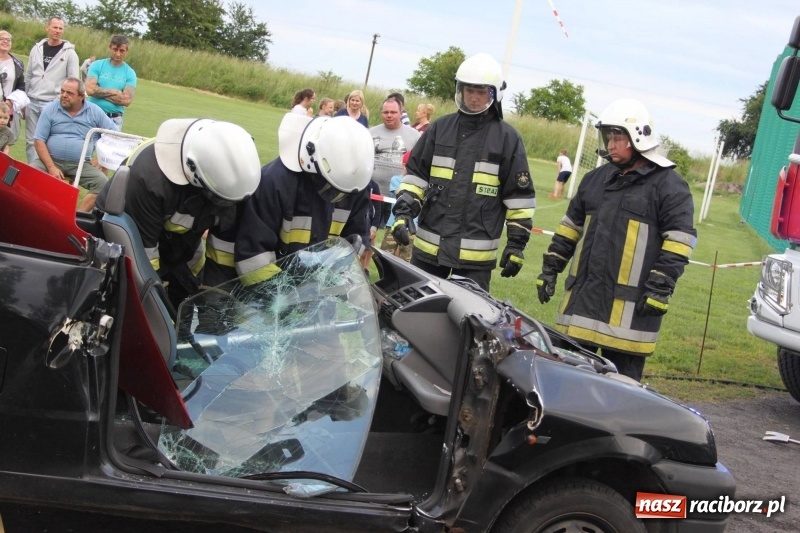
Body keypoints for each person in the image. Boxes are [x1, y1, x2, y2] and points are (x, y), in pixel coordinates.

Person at [535, 98, 697, 382]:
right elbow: (569, 229)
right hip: (581, 309)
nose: (610, 145)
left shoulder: (669, 185)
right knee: (568, 387)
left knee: (620, 399)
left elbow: (679, 240)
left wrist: (660, 286)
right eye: (609, 137)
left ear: (638, 138)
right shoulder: (595, 179)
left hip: (630, 320)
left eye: (618, 137)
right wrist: (551, 267)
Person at [391, 53, 535, 292]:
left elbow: (519, 199)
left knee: (468, 323)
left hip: (474, 261)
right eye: (470, 91)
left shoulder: (507, 138)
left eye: (482, 92)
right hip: (429, 251)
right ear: (461, 91)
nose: (475, 98)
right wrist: (403, 214)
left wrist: (516, 246)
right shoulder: (440, 128)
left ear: (494, 94)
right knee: (415, 314)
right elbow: (415, 176)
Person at [95, 117, 261, 307]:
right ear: (194, 175)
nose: (224, 206)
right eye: (218, 199)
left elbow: (224, 252)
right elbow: (144, 257)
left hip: (179, 246)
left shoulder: (235, 185)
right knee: (126, 303)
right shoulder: (150, 179)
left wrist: (215, 303)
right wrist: (157, 307)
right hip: (124, 241)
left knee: (184, 304)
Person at [202, 114, 375, 287]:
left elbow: (354, 243)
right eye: (331, 187)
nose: (336, 195)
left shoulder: (354, 184)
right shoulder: (275, 182)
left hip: (317, 300)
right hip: (263, 293)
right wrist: (283, 299)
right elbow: (254, 257)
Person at [32, 77, 119, 212]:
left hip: (81, 163)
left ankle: (78, 217)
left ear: (81, 96)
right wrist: (51, 167)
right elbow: (39, 140)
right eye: (62, 91)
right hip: (50, 160)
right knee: (28, 175)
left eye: (70, 93)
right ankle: (36, 211)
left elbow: (114, 135)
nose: (64, 95)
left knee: (103, 184)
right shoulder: (50, 109)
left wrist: (101, 159)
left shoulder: (94, 111)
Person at [24, 16, 80, 164]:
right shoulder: (36, 49)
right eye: (55, 27)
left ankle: (45, 174)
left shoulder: (70, 53)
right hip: (32, 100)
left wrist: (63, 102)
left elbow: (74, 81)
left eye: (61, 28)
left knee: (47, 141)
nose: (58, 31)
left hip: (52, 103)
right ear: (47, 27)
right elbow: (29, 75)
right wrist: (24, 99)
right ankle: (32, 170)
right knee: (31, 140)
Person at [369, 97, 420, 205]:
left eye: (393, 112)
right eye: (385, 112)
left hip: (400, 197)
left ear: (401, 113)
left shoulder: (414, 135)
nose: (389, 115)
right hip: (373, 195)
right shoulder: (370, 133)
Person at [86, 35, 137, 129]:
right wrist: (115, 92)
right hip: (92, 115)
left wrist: (99, 91)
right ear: (110, 47)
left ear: (127, 51)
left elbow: (126, 100)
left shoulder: (130, 73)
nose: (118, 54)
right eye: (115, 49)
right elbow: (90, 90)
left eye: (122, 51)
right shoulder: (96, 65)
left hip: (114, 119)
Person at [379, 150, 413, 262]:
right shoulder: (396, 179)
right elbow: (400, 194)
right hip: (394, 224)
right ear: (403, 165)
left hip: (411, 227)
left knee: (407, 258)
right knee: (385, 255)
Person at [0, 30, 27, 147]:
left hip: (6, 108)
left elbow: (21, 86)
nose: (5, 41)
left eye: (8, 39)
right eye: (2, 39)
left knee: (4, 143)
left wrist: (11, 101)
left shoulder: (17, 63)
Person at [360, 178, 382, 273]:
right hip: (357, 221)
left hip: (368, 221)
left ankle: (365, 269)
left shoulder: (374, 186)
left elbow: (377, 208)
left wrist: (373, 228)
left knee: (368, 248)